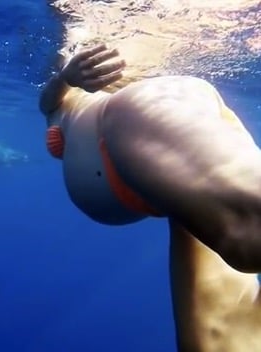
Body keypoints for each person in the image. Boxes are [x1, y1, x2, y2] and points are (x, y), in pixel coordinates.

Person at [39, 44, 261, 351]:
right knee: (221, 336)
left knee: (248, 232)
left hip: (138, 116)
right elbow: (49, 101)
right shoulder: (69, 84)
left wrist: (67, 78)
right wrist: (67, 77)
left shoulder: (83, 49)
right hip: (172, 112)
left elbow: (52, 103)